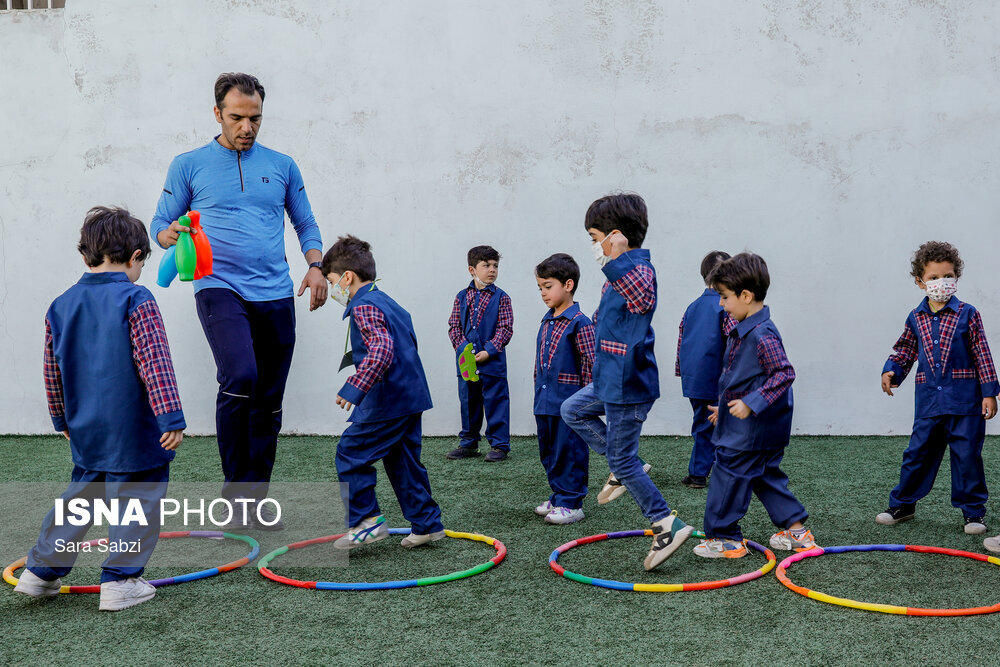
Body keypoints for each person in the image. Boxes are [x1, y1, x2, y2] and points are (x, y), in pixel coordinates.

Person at [150, 73, 326, 526]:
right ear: (217, 114)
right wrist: (170, 235)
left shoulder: (283, 165)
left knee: (269, 398)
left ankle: (254, 500)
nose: (246, 127)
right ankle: (233, 495)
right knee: (240, 376)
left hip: (275, 291)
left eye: (255, 118)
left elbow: (306, 224)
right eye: (237, 118)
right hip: (218, 285)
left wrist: (314, 264)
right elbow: (160, 227)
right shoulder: (188, 164)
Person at [15, 207, 185, 610]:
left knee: (80, 497)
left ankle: (40, 573)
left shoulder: (60, 305)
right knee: (138, 498)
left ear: (87, 253)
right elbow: (154, 361)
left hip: (86, 427)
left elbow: (51, 370)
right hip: (135, 429)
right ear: (136, 257)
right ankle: (121, 581)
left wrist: (60, 418)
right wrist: (171, 418)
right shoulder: (136, 297)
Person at [561, 193, 692, 571]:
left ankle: (666, 522)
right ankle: (625, 465)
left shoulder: (637, 270)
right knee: (572, 409)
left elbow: (640, 298)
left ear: (615, 235)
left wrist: (616, 257)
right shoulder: (620, 271)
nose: (593, 246)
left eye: (594, 236)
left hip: (627, 385)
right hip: (609, 380)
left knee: (622, 457)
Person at [324, 236, 445, 549]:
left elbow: (381, 349)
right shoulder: (388, 301)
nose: (333, 288)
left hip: (386, 400)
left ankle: (366, 524)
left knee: (350, 454)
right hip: (410, 396)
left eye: (331, 280)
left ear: (347, 277)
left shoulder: (363, 305)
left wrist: (355, 386)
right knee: (402, 458)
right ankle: (428, 525)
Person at [694, 252, 816, 559]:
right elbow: (746, 377)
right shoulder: (745, 327)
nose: (720, 304)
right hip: (758, 427)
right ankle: (798, 533)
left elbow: (784, 373)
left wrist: (750, 404)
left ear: (746, 296)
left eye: (723, 297)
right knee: (765, 477)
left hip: (751, 431)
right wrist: (727, 409)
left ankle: (725, 539)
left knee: (727, 474)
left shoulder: (761, 333)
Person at [878, 241, 998, 536]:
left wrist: (989, 392)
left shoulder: (968, 314)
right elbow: (905, 348)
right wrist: (892, 369)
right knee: (917, 453)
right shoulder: (916, 317)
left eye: (947, 276)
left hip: (966, 404)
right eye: (933, 278)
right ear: (920, 282)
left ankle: (973, 513)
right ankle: (903, 505)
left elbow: (982, 352)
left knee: (967, 456)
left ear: (956, 277)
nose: (940, 283)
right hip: (930, 401)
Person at [532, 253, 595, 525]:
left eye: (548, 286)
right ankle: (559, 496)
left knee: (569, 451)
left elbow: (592, 365)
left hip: (569, 404)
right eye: (540, 288)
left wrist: (586, 403)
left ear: (567, 285)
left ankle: (572, 502)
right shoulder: (547, 320)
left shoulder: (580, 322)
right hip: (545, 401)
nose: (544, 293)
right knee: (549, 451)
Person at [446, 245, 513, 462]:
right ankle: (469, 443)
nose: (492, 270)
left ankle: (499, 445)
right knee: (468, 401)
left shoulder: (502, 298)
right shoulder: (461, 297)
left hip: (491, 363)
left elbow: (505, 329)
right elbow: (454, 326)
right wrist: (463, 349)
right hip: (466, 363)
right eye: (486, 265)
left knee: (496, 401)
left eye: (495, 266)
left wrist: (489, 351)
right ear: (472, 269)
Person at [675, 250, 731, 489]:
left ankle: (697, 473)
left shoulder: (692, 307)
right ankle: (722, 472)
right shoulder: (725, 308)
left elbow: (681, 339)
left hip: (694, 379)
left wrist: (683, 372)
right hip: (717, 378)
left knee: (701, 424)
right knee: (723, 426)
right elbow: (733, 341)